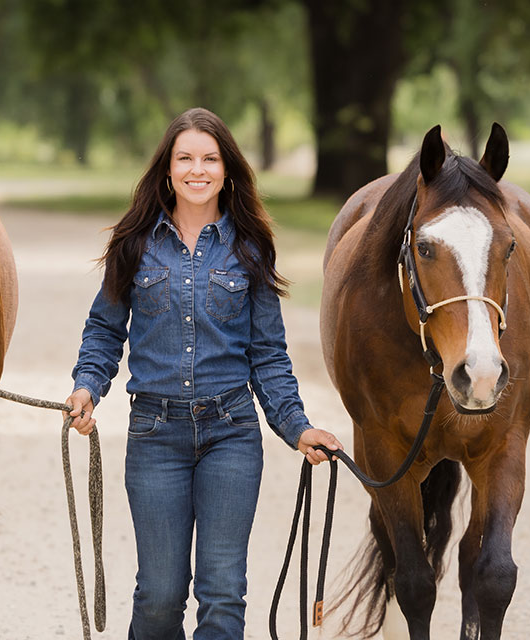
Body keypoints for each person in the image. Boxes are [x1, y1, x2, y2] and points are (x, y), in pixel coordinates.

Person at [64, 107, 344, 639]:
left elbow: (268, 355)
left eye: (210, 159)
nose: (198, 170)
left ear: (227, 169)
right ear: (167, 170)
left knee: (222, 593)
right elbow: (104, 331)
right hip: (155, 433)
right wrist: (86, 387)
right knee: (159, 596)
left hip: (231, 433)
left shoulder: (250, 248)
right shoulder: (134, 244)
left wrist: (297, 427)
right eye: (185, 158)